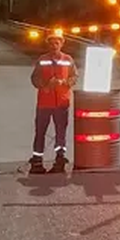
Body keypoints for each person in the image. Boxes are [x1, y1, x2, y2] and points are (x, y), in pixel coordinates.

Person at [29, 30, 78, 166]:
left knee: (61, 130)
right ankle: (37, 156)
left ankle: (60, 155)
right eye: (51, 43)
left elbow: (74, 77)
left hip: (62, 102)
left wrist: (65, 83)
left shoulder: (68, 60)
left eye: (57, 42)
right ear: (48, 45)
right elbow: (34, 77)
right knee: (40, 130)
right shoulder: (42, 59)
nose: (54, 45)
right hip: (44, 102)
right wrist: (43, 86)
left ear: (62, 43)